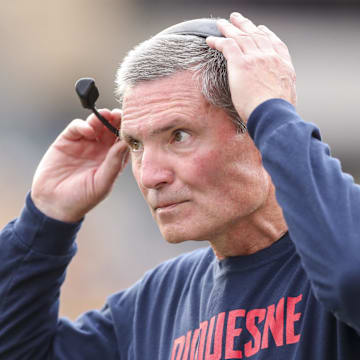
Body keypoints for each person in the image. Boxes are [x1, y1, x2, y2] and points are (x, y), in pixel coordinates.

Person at [0, 11, 359, 359]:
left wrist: (274, 111)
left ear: (256, 131)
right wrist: (44, 218)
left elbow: (349, 276)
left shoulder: (334, 262)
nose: (149, 175)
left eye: (179, 136)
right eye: (136, 145)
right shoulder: (153, 305)